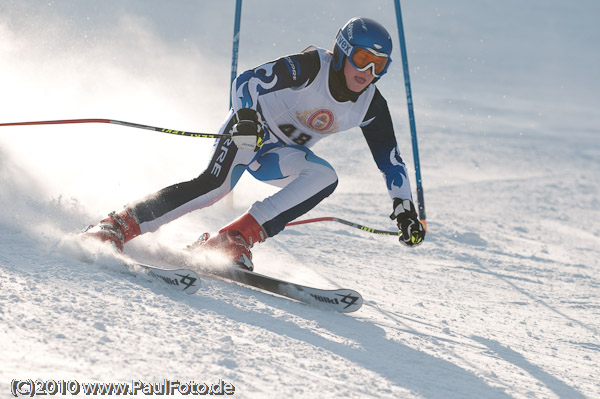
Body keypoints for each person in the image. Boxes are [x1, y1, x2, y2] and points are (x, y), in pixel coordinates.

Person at [84, 17, 426, 270]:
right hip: (250, 131)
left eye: (379, 65)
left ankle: (234, 238)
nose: (367, 71)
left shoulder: (371, 105)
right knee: (214, 188)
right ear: (342, 53)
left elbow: (390, 160)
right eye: (363, 58)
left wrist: (404, 208)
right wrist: (246, 118)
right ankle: (118, 223)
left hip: (278, 157)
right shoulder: (310, 67)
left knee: (325, 177)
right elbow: (247, 81)